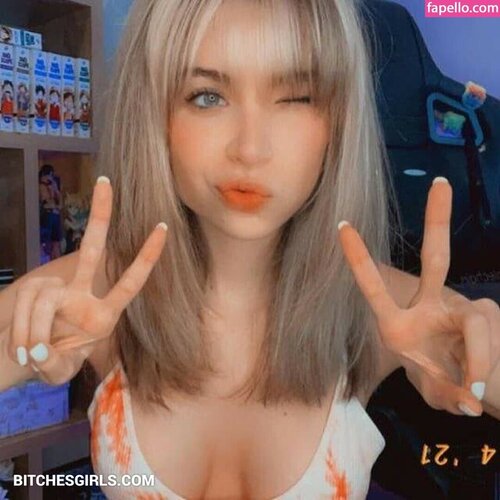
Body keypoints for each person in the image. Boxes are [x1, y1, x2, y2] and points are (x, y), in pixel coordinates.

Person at [0, 0, 499, 498]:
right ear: (155, 114)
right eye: (207, 96)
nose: (250, 149)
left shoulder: (388, 309)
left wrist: (481, 375)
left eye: (296, 97)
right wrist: (17, 350)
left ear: (339, 122)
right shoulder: (92, 295)